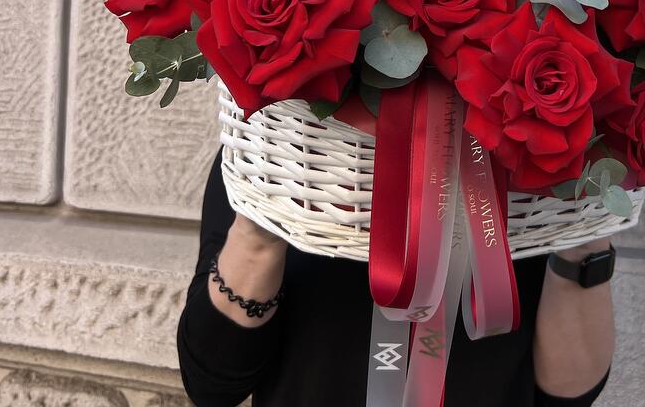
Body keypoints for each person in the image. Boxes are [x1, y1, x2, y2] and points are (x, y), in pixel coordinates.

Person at [177, 149, 616, 406]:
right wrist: (262, 223)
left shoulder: (530, 159)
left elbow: (568, 396)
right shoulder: (286, 148)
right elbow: (212, 383)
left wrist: (585, 229)